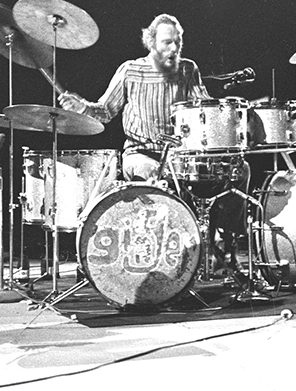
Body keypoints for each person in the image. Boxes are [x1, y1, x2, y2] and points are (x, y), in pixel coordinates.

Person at [58, 14, 249, 274]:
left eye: (178, 42)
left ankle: (226, 246)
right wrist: (83, 106)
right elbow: (105, 111)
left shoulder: (187, 70)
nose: (174, 49)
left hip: (181, 156)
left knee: (240, 170)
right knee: (160, 177)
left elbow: (203, 109)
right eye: (167, 42)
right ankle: (173, 262)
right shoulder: (130, 70)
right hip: (141, 153)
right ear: (151, 43)